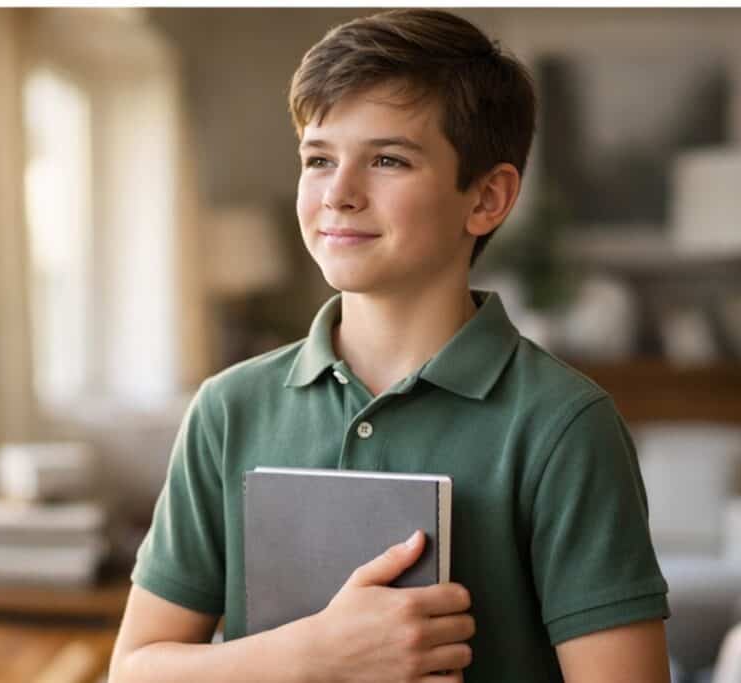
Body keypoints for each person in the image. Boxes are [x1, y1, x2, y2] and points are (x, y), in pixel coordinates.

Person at [110, 8, 671, 682]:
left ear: (487, 197)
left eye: (386, 159)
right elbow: (135, 670)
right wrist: (316, 655)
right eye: (318, 159)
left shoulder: (564, 427)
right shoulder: (228, 409)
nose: (339, 194)